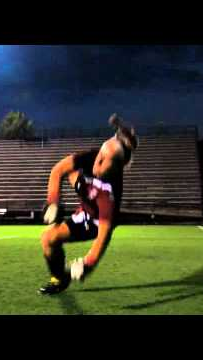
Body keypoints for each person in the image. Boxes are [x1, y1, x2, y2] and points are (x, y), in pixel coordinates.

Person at [39, 114, 138, 295]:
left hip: (95, 222)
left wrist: (88, 263)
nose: (97, 163)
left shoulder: (109, 195)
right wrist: (52, 202)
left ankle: (63, 278)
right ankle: (60, 278)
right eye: (100, 155)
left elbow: (103, 236)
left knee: (49, 238)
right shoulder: (92, 157)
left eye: (104, 161)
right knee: (47, 238)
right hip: (86, 205)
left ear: (117, 167)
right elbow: (57, 170)